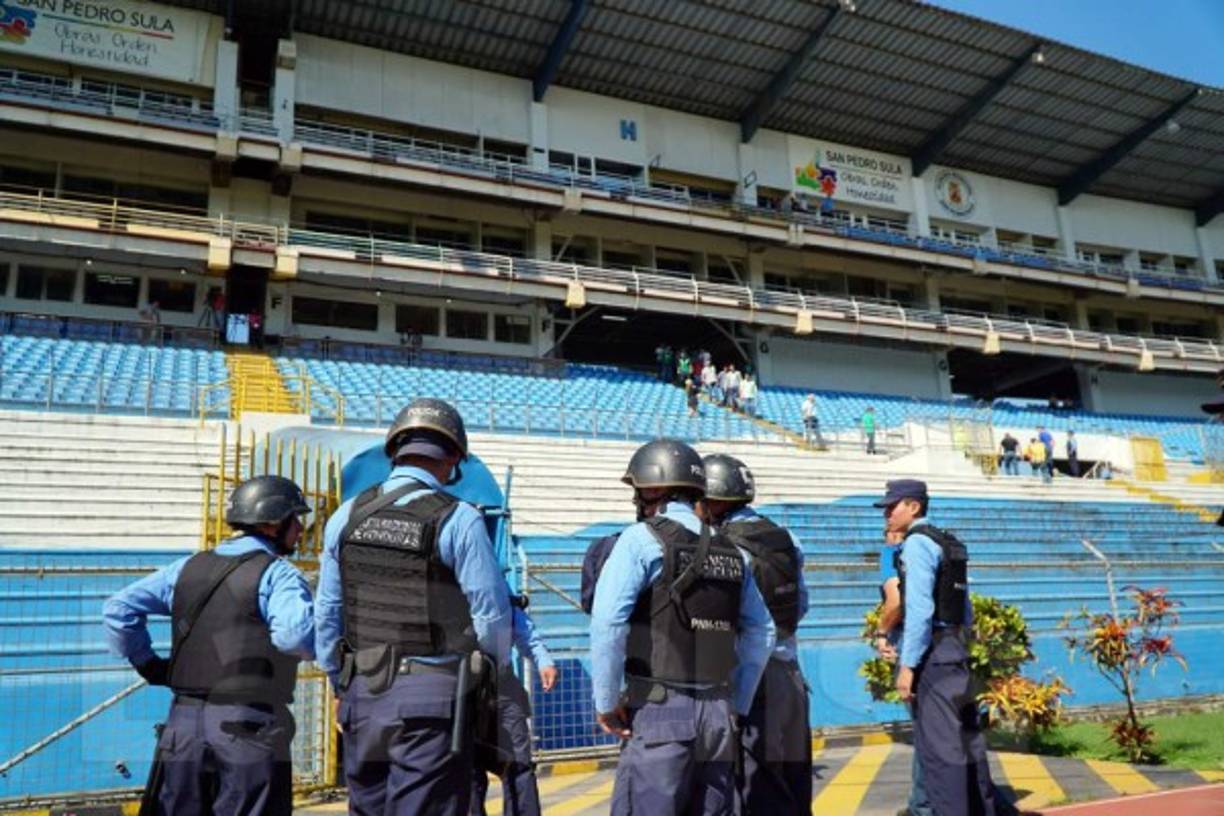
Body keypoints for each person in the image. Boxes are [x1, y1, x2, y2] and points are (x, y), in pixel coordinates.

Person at [315, 398, 513, 815]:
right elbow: (491, 614)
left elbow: (328, 613)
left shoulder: (345, 516)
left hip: (362, 691)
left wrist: (339, 683)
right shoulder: (458, 518)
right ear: (454, 458)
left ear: (395, 451)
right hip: (432, 698)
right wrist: (492, 674)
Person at [102, 476, 316, 815]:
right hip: (248, 724)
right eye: (296, 519)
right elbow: (295, 637)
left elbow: (118, 608)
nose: (301, 530)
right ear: (273, 522)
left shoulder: (187, 567)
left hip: (183, 724)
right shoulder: (279, 574)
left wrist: (148, 664)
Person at [589, 439, 775, 815]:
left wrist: (606, 702)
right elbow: (762, 632)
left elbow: (608, 622)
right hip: (719, 712)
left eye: (640, 492)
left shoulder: (641, 540)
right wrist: (736, 703)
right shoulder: (733, 552)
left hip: (660, 710)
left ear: (653, 490)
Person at [877, 479, 997, 816]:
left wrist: (908, 666)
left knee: (941, 754)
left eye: (892, 505)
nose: (886, 513)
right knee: (970, 745)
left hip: (933, 654)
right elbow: (965, 606)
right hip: (955, 650)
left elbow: (919, 611)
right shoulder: (948, 543)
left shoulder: (915, 545)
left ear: (913, 506)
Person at [699, 454, 810, 812]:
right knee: (795, 784)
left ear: (713, 500)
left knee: (756, 788)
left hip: (750, 679)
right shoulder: (785, 537)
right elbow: (801, 605)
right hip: (791, 676)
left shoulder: (720, 545)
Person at [470, 592, 559, 816]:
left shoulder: (498, 587)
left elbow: (525, 631)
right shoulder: (447, 581)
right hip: (463, 689)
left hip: (503, 687)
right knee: (468, 771)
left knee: (519, 765)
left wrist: (543, 660)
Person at [873, 528, 933, 816]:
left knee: (924, 733)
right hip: (939, 648)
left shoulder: (893, 554)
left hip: (910, 647)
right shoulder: (933, 548)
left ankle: (922, 805)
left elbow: (895, 600)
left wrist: (882, 632)